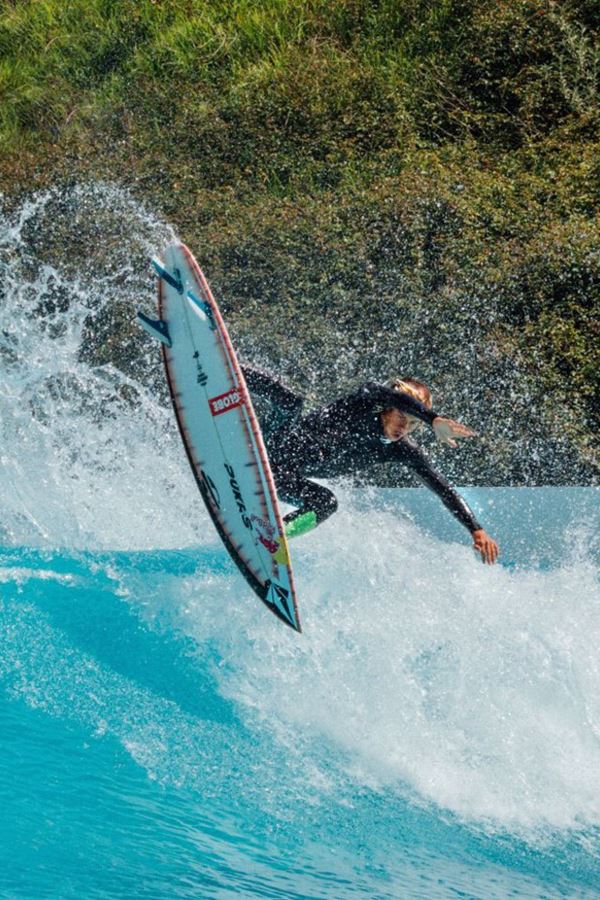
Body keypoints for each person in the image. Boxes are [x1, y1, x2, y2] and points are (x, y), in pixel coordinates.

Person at [242, 367, 499, 565]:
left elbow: (442, 488)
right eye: (402, 417)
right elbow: (389, 394)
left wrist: (475, 529)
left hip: (279, 474)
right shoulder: (364, 402)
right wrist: (432, 419)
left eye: (412, 424)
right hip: (271, 442)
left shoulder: (400, 449)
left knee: (326, 503)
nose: (403, 428)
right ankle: (231, 373)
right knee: (292, 402)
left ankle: (273, 538)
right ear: (390, 408)